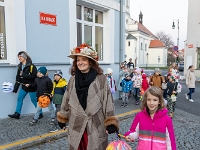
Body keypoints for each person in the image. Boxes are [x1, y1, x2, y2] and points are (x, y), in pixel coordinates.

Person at [57, 43, 119, 150]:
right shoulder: (73, 79)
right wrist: (62, 117)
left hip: (95, 124)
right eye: (78, 60)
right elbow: (66, 99)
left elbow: (107, 101)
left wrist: (110, 122)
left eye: (83, 60)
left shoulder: (101, 79)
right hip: (76, 123)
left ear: (90, 62)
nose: (80, 63)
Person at [8, 51, 43, 119]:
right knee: (19, 98)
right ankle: (17, 114)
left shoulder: (32, 66)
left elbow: (34, 77)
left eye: (20, 56)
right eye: (18, 57)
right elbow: (18, 78)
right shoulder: (19, 66)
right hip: (24, 87)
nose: (19, 58)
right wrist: (15, 89)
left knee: (34, 100)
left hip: (31, 87)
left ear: (25, 57)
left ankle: (40, 113)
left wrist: (25, 77)